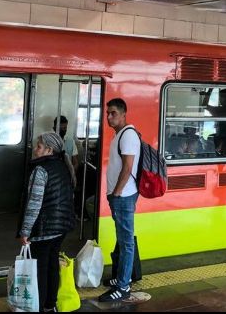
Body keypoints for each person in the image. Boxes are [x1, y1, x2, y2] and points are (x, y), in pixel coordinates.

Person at [17, 131, 76, 313]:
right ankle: (50, 305)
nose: (35, 149)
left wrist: (25, 231)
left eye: (39, 146)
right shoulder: (63, 166)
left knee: (40, 270)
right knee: (51, 266)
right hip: (61, 228)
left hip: (44, 229)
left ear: (49, 150)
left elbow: (34, 204)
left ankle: (39, 307)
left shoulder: (41, 170)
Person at [100, 98, 140, 302]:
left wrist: (116, 192)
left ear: (124, 114)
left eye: (113, 113)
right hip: (120, 196)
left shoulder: (128, 135)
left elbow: (127, 168)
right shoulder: (119, 135)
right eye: (108, 113)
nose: (109, 117)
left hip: (123, 196)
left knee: (126, 242)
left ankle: (123, 286)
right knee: (122, 240)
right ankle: (121, 278)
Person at [53, 116, 77, 188]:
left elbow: (75, 163)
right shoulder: (49, 142)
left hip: (68, 174)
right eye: (61, 128)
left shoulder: (71, 142)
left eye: (65, 128)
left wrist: (70, 172)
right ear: (54, 128)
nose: (64, 130)